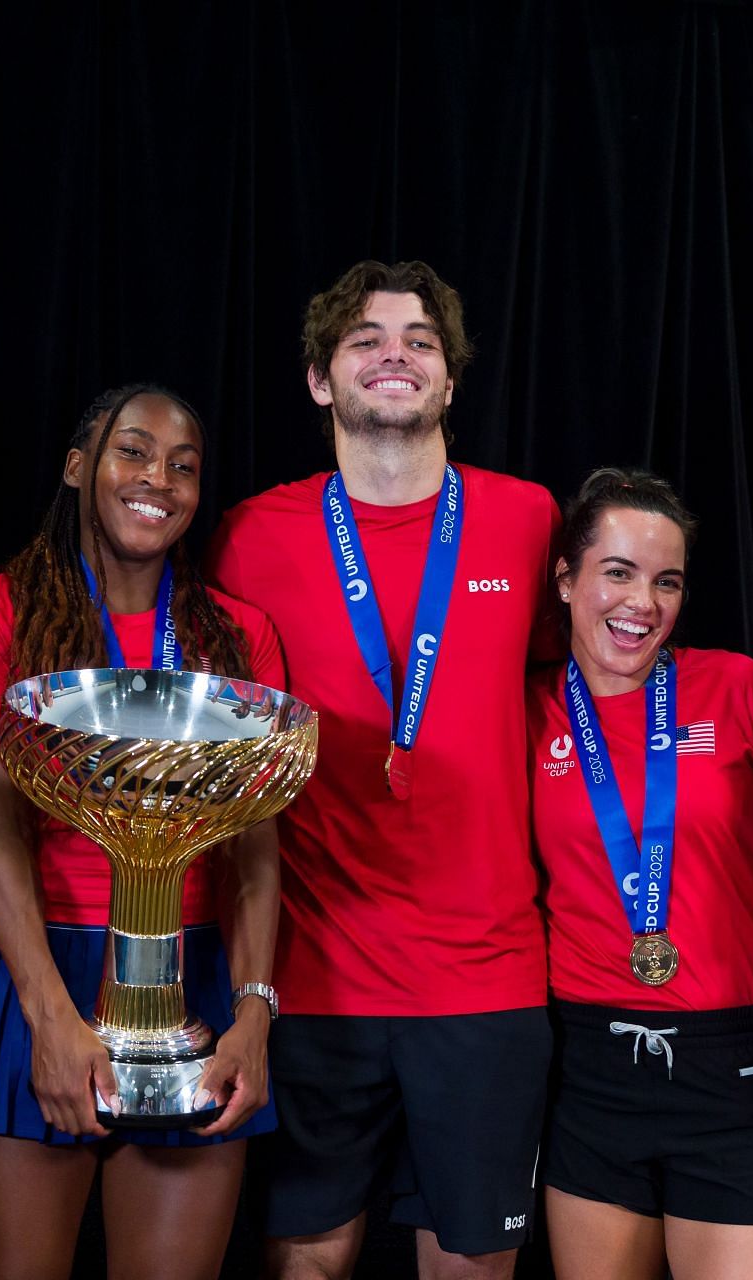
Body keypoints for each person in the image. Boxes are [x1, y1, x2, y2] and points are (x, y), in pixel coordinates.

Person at [206, 260, 563, 1279]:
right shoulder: (249, 535)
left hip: (487, 976)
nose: (394, 354)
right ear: (321, 379)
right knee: (306, 1259)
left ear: (452, 381)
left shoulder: (529, 520)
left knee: (470, 1267)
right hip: (316, 979)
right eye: (365, 338)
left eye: (419, 340)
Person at [0, 383, 284, 1279]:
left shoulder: (239, 638)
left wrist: (252, 1020)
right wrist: (48, 1016)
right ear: (79, 466)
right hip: (35, 975)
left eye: (184, 466)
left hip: (197, 982)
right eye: (133, 452)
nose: (157, 479)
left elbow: (255, 857)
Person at [526, 468, 753, 1280]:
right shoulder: (526, 708)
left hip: (735, 1065)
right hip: (591, 1065)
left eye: (667, 581)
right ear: (566, 578)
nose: (641, 604)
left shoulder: (738, 687)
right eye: (618, 572)